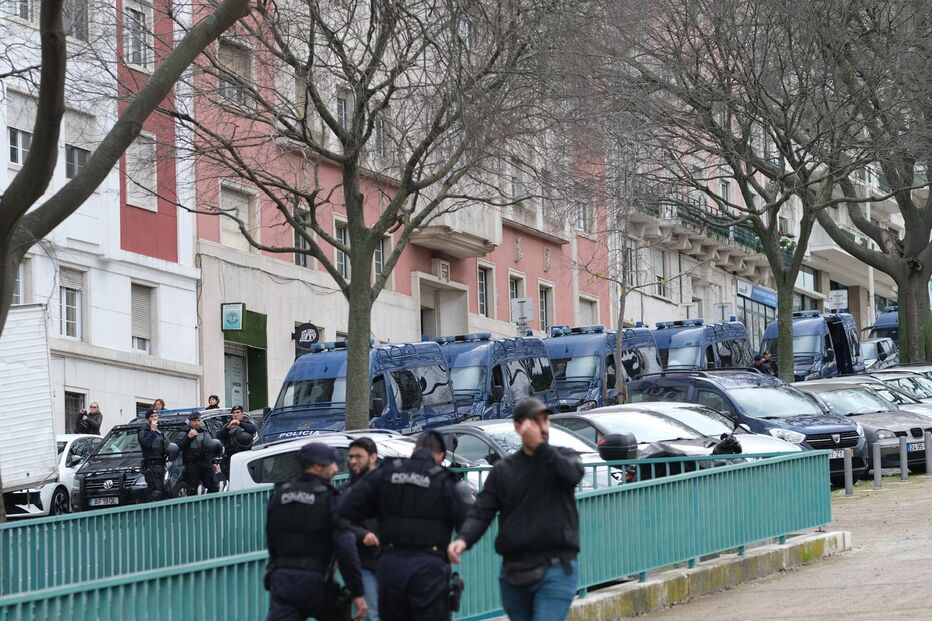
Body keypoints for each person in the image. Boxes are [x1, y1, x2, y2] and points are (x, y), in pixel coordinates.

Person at [448, 398, 584, 621]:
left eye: (545, 421)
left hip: (557, 566)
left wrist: (541, 448)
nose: (543, 427)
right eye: (535, 422)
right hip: (514, 572)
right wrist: (463, 540)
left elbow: (572, 475)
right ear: (519, 427)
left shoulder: (564, 456)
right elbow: (482, 511)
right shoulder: (503, 470)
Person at [337, 431, 472, 621]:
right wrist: (461, 542)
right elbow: (468, 522)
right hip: (430, 566)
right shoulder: (446, 481)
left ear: (414, 450)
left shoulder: (385, 474)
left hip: (390, 565)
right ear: (441, 455)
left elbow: (344, 508)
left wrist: (376, 511)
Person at [265, 442, 367, 621]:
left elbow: (271, 538)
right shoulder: (330, 499)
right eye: (332, 463)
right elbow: (346, 548)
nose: (336, 469)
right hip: (317, 581)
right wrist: (357, 592)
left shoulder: (279, 495)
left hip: (283, 580)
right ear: (318, 466)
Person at [346, 438, 381, 621]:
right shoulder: (347, 492)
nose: (353, 461)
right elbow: (340, 523)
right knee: (373, 614)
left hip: (391, 561)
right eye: (350, 457)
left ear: (373, 457)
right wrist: (362, 535)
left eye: (358, 456)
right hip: (363, 562)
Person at [176, 411, 219, 495]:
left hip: (205, 462)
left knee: (214, 486)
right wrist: (189, 437)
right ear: (190, 421)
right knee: (192, 490)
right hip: (192, 464)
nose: (197, 423)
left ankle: (209, 502)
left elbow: (210, 447)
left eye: (198, 420)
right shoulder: (184, 432)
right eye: (194, 421)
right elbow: (178, 447)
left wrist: (214, 462)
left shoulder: (204, 432)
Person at [216, 404, 258, 481]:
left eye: (238, 412)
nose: (235, 414)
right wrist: (228, 428)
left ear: (242, 414)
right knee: (233, 480)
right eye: (234, 413)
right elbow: (218, 436)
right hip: (231, 457)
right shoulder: (228, 425)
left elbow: (253, 429)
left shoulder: (247, 423)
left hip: (244, 455)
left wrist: (240, 423)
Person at [137, 410, 170, 501]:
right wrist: (152, 431)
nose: (154, 418)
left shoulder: (158, 431)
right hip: (151, 465)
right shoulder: (143, 430)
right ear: (147, 419)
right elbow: (146, 444)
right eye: (152, 416)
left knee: (161, 489)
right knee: (155, 491)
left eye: (155, 416)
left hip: (160, 464)